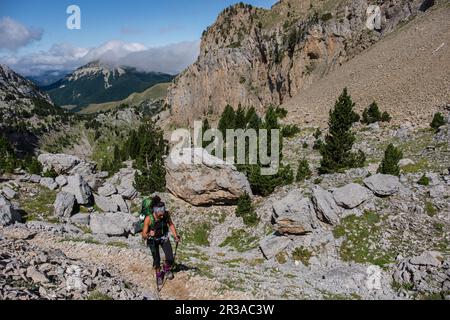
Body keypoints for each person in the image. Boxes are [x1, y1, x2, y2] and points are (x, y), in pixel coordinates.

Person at [142, 196, 180, 287]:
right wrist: (148, 234)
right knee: (157, 260)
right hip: (152, 240)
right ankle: (159, 275)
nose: (162, 215)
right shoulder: (148, 219)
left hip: (164, 238)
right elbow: (143, 234)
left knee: (170, 258)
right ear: (155, 211)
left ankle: (166, 269)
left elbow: (170, 224)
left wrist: (175, 236)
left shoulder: (166, 215)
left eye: (163, 213)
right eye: (160, 214)